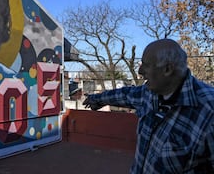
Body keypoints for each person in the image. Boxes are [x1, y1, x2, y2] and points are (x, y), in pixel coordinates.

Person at [83, 39, 214, 173]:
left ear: (167, 69)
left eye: (145, 65)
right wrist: (96, 99)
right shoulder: (150, 92)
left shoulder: (209, 111)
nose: (140, 71)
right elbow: (124, 95)